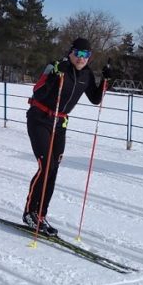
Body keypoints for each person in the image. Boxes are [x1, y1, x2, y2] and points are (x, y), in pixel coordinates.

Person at [24, 37, 115, 236]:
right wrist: (54, 76)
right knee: (46, 165)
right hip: (39, 118)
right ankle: (30, 212)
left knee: (54, 169)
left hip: (60, 123)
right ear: (71, 52)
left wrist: (106, 80)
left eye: (86, 55)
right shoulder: (56, 66)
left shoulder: (87, 75)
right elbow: (37, 91)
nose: (82, 58)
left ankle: (41, 215)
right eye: (79, 54)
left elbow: (96, 99)